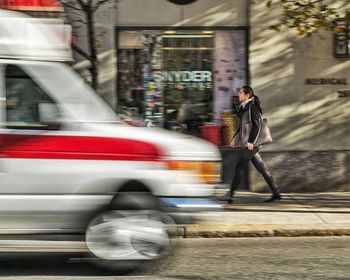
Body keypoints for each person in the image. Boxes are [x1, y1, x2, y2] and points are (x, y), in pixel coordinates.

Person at [229, 86, 281, 203]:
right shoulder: (243, 108)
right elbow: (241, 128)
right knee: (261, 168)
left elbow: (256, 125)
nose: (238, 95)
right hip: (249, 145)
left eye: (240, 93)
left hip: (251, 145)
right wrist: (234, 139)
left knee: (239, 168)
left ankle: (231, 195)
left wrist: (251, 142)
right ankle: (276, 191)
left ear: (247, 96)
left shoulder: (252, 107)